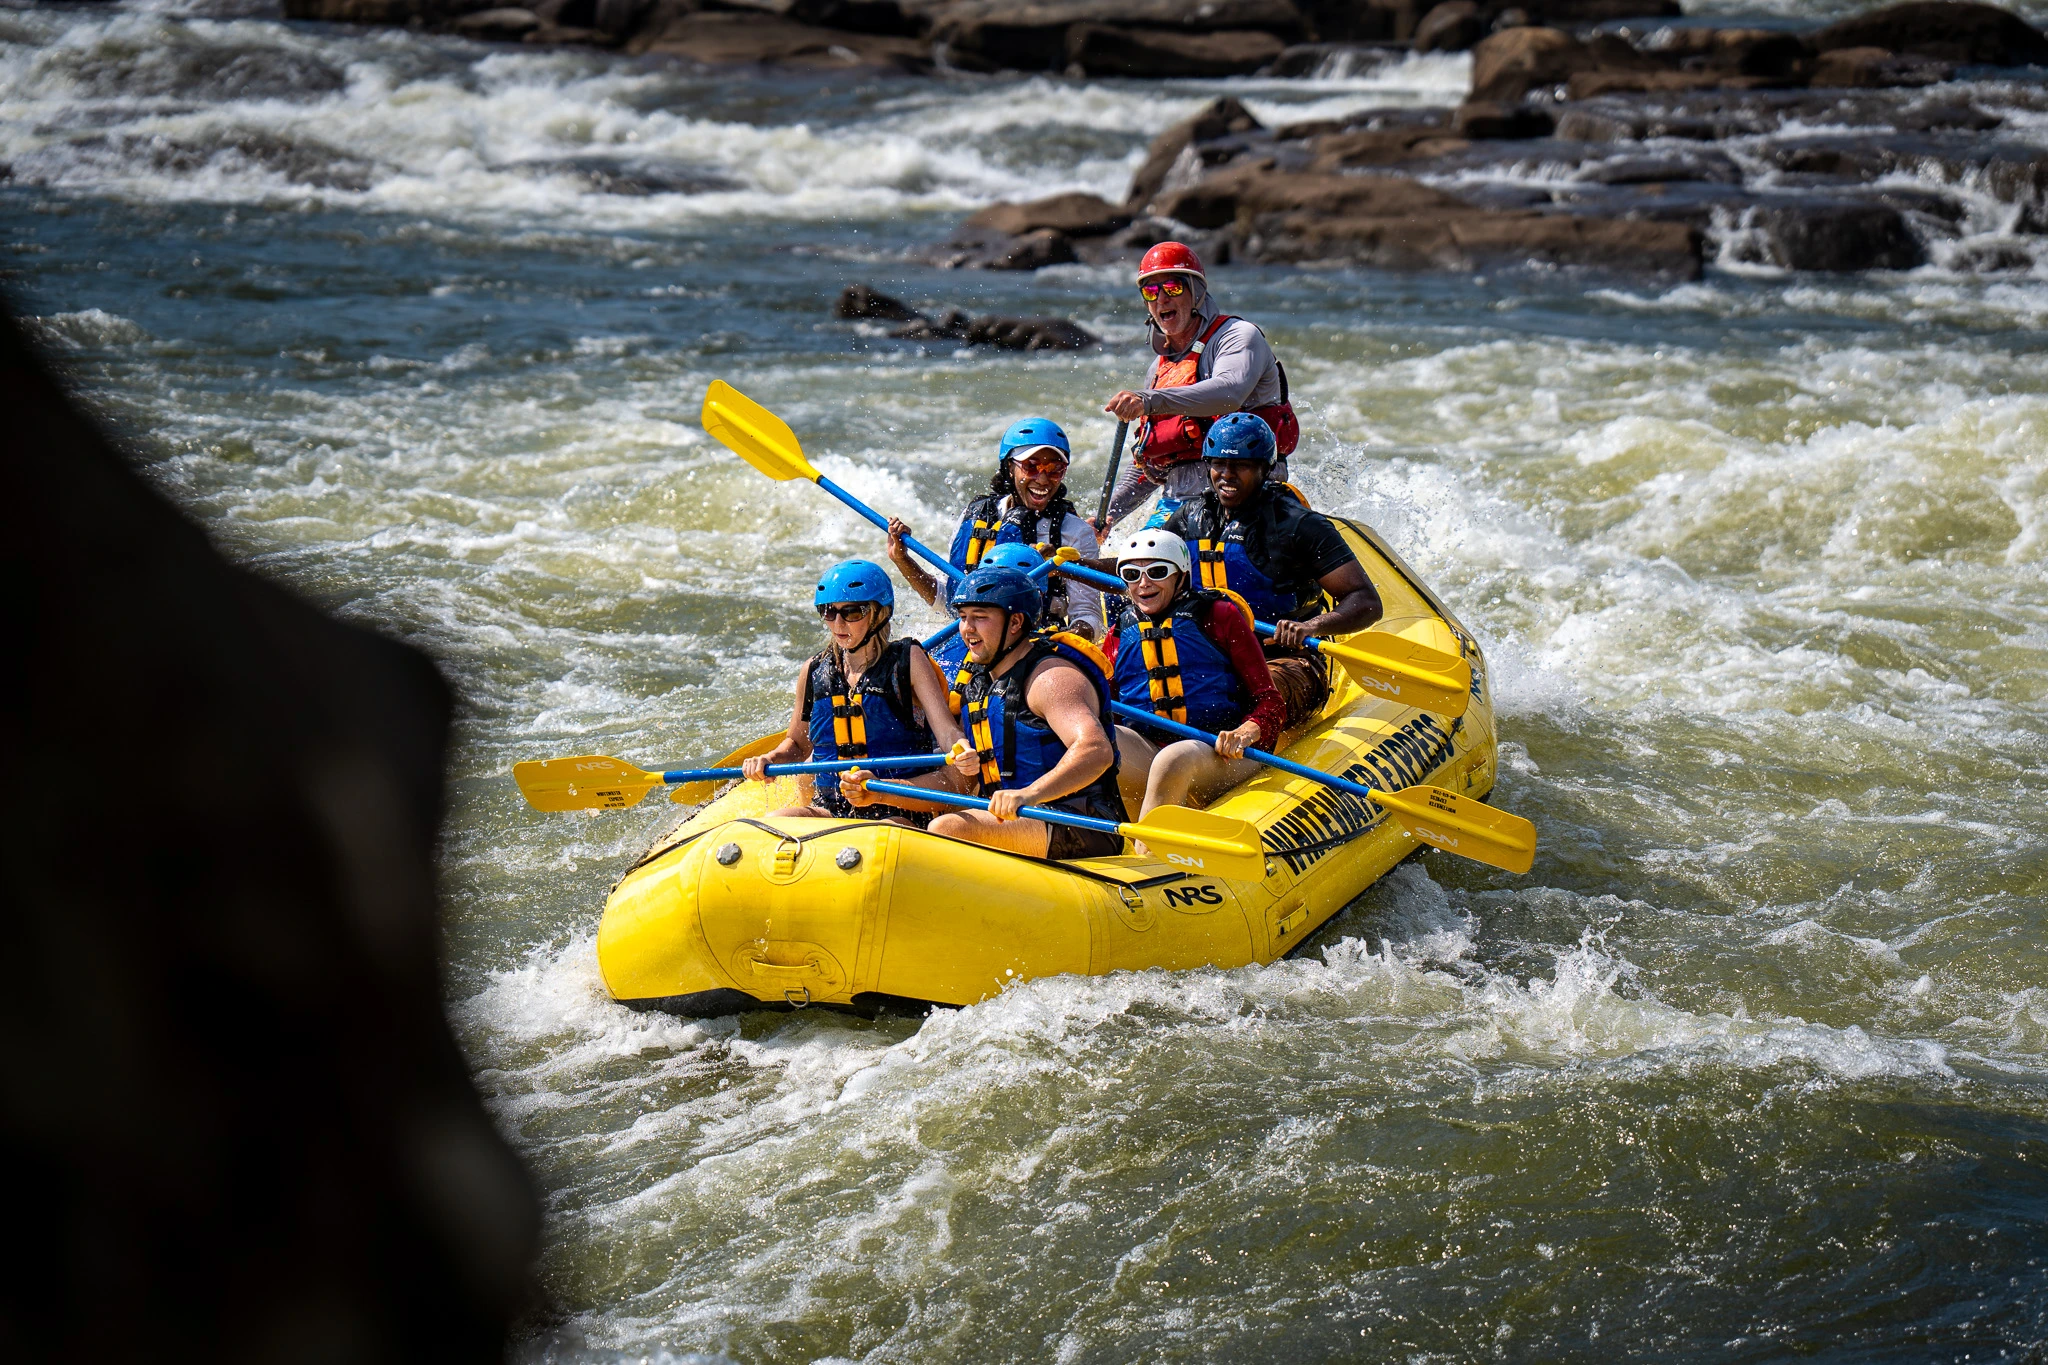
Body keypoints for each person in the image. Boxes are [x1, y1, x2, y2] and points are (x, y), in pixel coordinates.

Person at [843, 564, 1127, 860]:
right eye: (964, 618)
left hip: (1080, 822)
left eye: (980, 618)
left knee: (948, 829)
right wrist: (880, 791)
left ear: (1015, 622)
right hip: (1015, 820)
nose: (967, 629)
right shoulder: (978, 687)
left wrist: (1028, 795)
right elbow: (957, 783)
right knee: (904, 832)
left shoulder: (1049, 677)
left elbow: (1095, 750)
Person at [1162, 412, 1381, 727]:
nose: (1226, 475)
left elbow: (1366, 600)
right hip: (1208, 657)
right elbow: (1145, 571)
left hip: (1287, 662)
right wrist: (1077, 565)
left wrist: (1312, 627)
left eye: (1241, 466)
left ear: (1264, 469)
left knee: (1226, 695)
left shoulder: (1299, 526)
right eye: (1218, 465)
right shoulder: (1188, 519)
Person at [741, 559, 962, 824]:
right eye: (828, 612)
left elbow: (947, 732)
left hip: (897, 810)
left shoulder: (909, 660)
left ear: (880, 613)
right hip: (831, 809)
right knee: (774, 823)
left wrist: (961, 748)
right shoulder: (813, 670)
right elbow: (798, 745)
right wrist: (770, 758)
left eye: (852, 612)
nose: (838, 623)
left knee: (885, 832)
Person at [1100, 242, 1299, 528]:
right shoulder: (1159, 370)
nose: (1162, 299)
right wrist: (1110, 516)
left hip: (1247, 496)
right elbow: (1147, 462)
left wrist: (1149, 401)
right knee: (1140, 559)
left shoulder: (1239, 337)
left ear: (1197, 292)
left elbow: (1229, 393)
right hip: (1178, 504)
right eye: (1151, 291)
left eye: (1173, 287)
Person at [1105, 530, 1289, 820]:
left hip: (1223, 754)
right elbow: (1107, 709)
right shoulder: (1119, 634)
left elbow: (1270, 702)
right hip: (1153, 751)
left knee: (1174, 758)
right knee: (1099, 737)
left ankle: (1151, 858)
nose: (1143, 583)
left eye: (1157, 571)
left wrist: (1245, 732)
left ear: (1181, 576)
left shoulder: (1219, 616)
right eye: (1131, 574)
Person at [885, 417, 1104, 640]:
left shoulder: (1074, 532)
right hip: (974, 641)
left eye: (1055, 469)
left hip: (1039, 643)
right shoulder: (976, 517)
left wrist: (1058, 643)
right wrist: (902, 560)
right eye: (1031, 466)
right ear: (1010, 467)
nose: (1043, 478)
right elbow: (946, 600)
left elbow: (1088, 617)